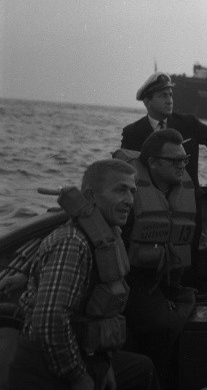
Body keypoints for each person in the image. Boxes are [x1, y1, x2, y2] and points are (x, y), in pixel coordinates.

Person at [8, 159, 161, 390]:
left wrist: (104, 364)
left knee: (142, 369)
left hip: (84, 354)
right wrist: (79, 377)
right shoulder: (72, 242)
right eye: (120, 190)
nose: (129, 200)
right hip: (46, 370)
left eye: (132, 191)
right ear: (90, 195)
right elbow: (49, 321)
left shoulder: (105, 239)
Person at [121, 71, 207, 269]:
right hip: (147, 206)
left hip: (187, 205)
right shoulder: (133, 132)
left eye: (171, 95)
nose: (169, 100)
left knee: (188, 260)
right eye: (163, 96)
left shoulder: (188, 124)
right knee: (146, 260)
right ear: (147, 102)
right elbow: (125, 169)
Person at [115, 128, 197, 389]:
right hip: (130, 281)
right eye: (174, 161)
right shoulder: (127, 194)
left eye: (184, 159)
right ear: (151, 162)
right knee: (160, 324)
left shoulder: (185, 188)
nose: (181, 166)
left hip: (167, 281)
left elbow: (191, 242)